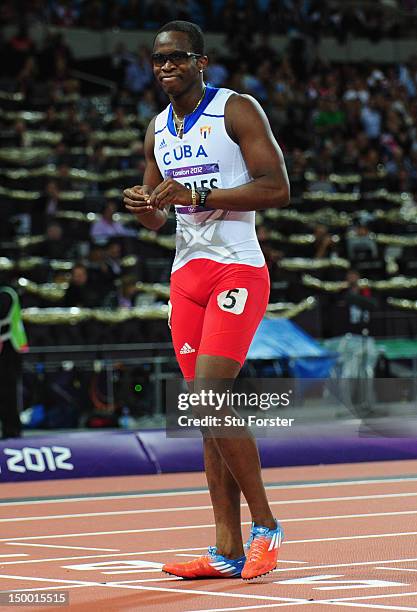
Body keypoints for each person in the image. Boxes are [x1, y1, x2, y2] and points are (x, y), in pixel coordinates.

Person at [123, 20, 290, 581]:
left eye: (176, 57)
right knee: (203, 413)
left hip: (236, 267)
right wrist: (143, 205)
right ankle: (226, 548)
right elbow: (155, 215)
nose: (165, 66)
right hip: (186, 275)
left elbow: (276, 187)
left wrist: (199, 192)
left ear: (201, 61)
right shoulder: (157, 129)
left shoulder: (236, 109)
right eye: (158, 59)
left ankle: (266, 525)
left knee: (212, 394)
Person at [0, 283, 29, 439]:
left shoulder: (7, 293)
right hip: (5, 350)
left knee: (8, 393)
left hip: (10, 351)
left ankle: (12, 430)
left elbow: (3, 315)